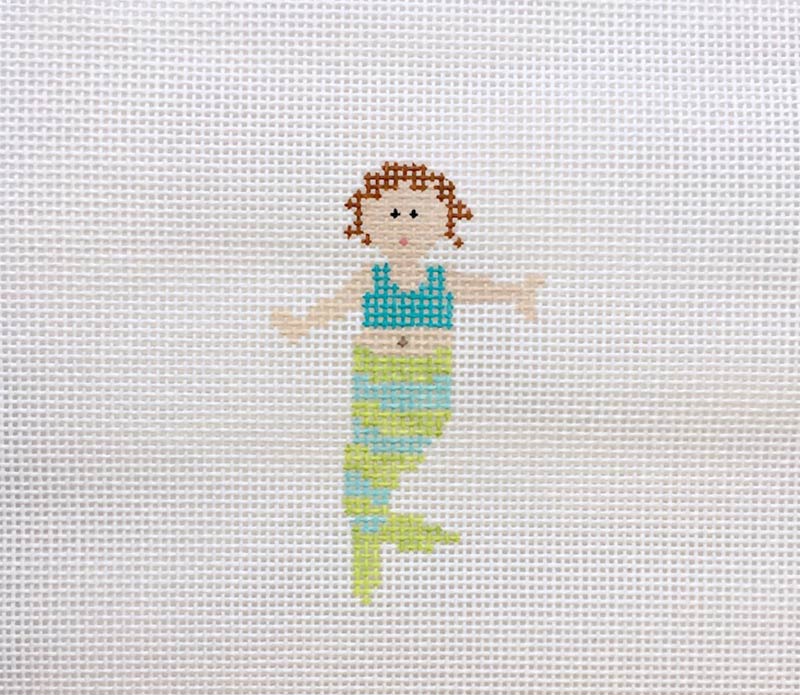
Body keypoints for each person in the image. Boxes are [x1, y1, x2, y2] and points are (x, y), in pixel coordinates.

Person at [271, 162, 544, 604]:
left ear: (442, 222)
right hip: (375, 381)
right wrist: (303, 324)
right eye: (392, 214)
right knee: (366, 463)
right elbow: (336, 304)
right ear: (367, 221)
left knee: (398, 452)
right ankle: (370, 538)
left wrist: (517, 292)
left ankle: (378, 530)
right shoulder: (371, 278)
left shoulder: (440, 279)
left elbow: (481, 288)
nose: (403, 225)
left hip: (426, 383)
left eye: (416, 214)